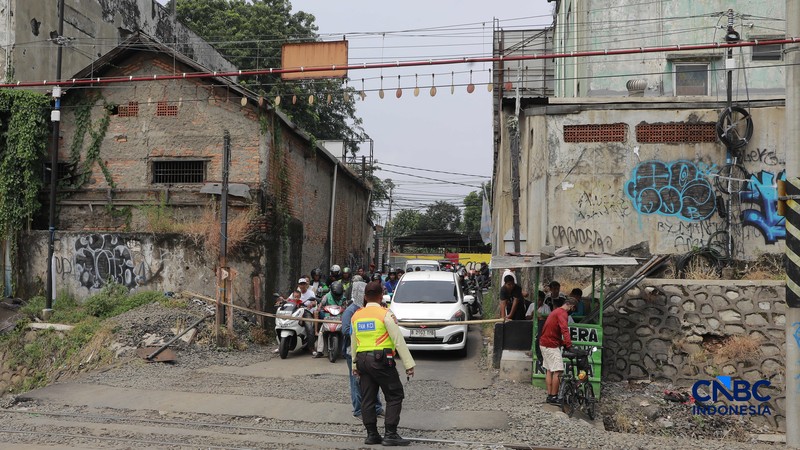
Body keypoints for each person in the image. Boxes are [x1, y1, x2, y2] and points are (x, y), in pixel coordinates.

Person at [352, 281, 415, 446]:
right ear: (381, 296)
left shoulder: (356, 315)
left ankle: (372, 434)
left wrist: (354, 365)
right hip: (380, 361)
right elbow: (398, 340)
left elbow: (354, 342)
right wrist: (408, 364)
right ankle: (390, 434)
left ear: (365, 297)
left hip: (362, 361)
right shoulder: (385, 314)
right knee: (395, 395)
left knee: (367, 398)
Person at [341, 280, 384, 418]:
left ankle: (376, 408)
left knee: (373, 380)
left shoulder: (368, 310)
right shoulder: (350, 311)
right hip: (352, 351)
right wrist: (360, 331)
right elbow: (346, 329)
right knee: (356, 381)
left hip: (368, 351)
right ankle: (358, 409)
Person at [539, 297, 578, 405]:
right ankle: (554, 396)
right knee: (558, 370)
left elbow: (552, 332)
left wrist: (562, 343)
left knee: (549, 370)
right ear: (571, 306)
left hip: (544, 344)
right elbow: (564, 329)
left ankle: (550, 396)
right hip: (551, 345)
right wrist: (569, 344)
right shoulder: (562, 313)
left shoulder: (555, 312)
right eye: (573, 310)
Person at [313, 281, 347, 358]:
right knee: (322, 331)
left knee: (345, 332)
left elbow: (346, 306)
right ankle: (319, 351)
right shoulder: (326, 296)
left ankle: (344, 350)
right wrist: (320, 308)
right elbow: (321, 305)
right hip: (328, 316)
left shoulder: (343, 297)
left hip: (339, 317)